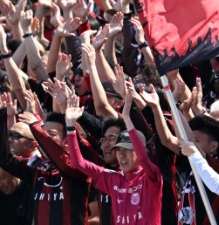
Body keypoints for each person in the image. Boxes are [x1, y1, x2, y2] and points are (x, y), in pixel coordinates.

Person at [66, 81, 163, 224]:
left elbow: (143, 157)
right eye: (118, 150)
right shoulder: (113, 178)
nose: (122, 155)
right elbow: (78, 163)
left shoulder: (150, 176)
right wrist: (70, 127)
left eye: (127, 150)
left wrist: (127, 119)